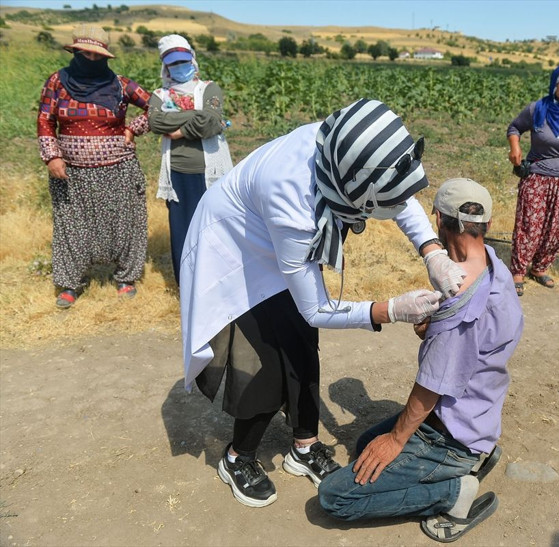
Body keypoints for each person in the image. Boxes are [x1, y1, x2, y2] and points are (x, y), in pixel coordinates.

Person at [180, 99, 468, 508]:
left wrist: (432, 251)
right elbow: (315, 307)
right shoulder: (293, 205)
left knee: (301, 344)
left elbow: (398, 193)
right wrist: (390, 310)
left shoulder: (349, 149)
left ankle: (304, 446)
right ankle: (238, 456)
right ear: (354, 195)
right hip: (237, 250)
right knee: (263, 360)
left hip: (274, 238)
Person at [318, 178, 524, 543]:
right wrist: (436, 331)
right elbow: (476, 344)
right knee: (364, 443)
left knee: (336, 496)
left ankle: (454, 490)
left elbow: (431, 386)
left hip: (449, 434)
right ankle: (476, 456)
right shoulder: (497, 270)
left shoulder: (461, 306)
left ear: (441, 221)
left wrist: (396, 440)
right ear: (486, 225)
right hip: (475, 417)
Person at [37, 25, 151, 308]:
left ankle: (126, 277)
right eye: (84, 53)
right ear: (75, 51)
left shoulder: (121, 84)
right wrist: (52, 156)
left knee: (124, 223)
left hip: (118, 167)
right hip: (71, 170)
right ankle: (70, 284)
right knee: (71, 226)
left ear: (105, 57)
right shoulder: (57, 82)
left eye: (96, 55)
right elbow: (45, 120)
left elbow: (158, 107)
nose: (89, 59)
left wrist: (133, 129)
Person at [148, 34, 232, 285]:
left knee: (214, 228)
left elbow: (211, 121)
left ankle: (217, 282)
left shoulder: (209, 88)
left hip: (209, 170)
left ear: (193, 60)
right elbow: (155, 121)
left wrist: (179, 131)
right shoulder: (160, 95)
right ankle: (188, 286)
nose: (179, 68)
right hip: (177, 172)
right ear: (166, 66)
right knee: (183, 231)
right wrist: (196, 116)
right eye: (173, 64)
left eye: (183, 62)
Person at [507, 63, 559, 296]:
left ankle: (540, 268)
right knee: (529, 226)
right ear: (554, 83)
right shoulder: (537, 109)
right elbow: (514, 127)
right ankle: (518, 271)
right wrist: (515, 148)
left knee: (557, 229)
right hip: (537, 177)